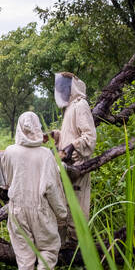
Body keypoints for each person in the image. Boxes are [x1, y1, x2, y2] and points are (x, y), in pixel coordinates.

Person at [2, 111, 68, 270]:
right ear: (38, 128)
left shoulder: (10, 151)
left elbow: (6, 181)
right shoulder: (45, 154)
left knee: (24, 255)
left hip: (17, 208)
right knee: (49, 247)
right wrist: (62, 214)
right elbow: (51, 187)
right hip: (40, 208)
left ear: (20, 128)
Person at [50, 72, 97, 229]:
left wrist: (74, 146)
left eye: (64, 87)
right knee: (66, 208)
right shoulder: (70, 107)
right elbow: (70, 134)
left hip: (78, 166)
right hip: (67, 166)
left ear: (71, 87)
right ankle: (68, 247)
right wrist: (55, 135)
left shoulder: (80, 105)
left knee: (77, 211)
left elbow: (89, 137)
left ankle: (78, 248)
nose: (61, 90)